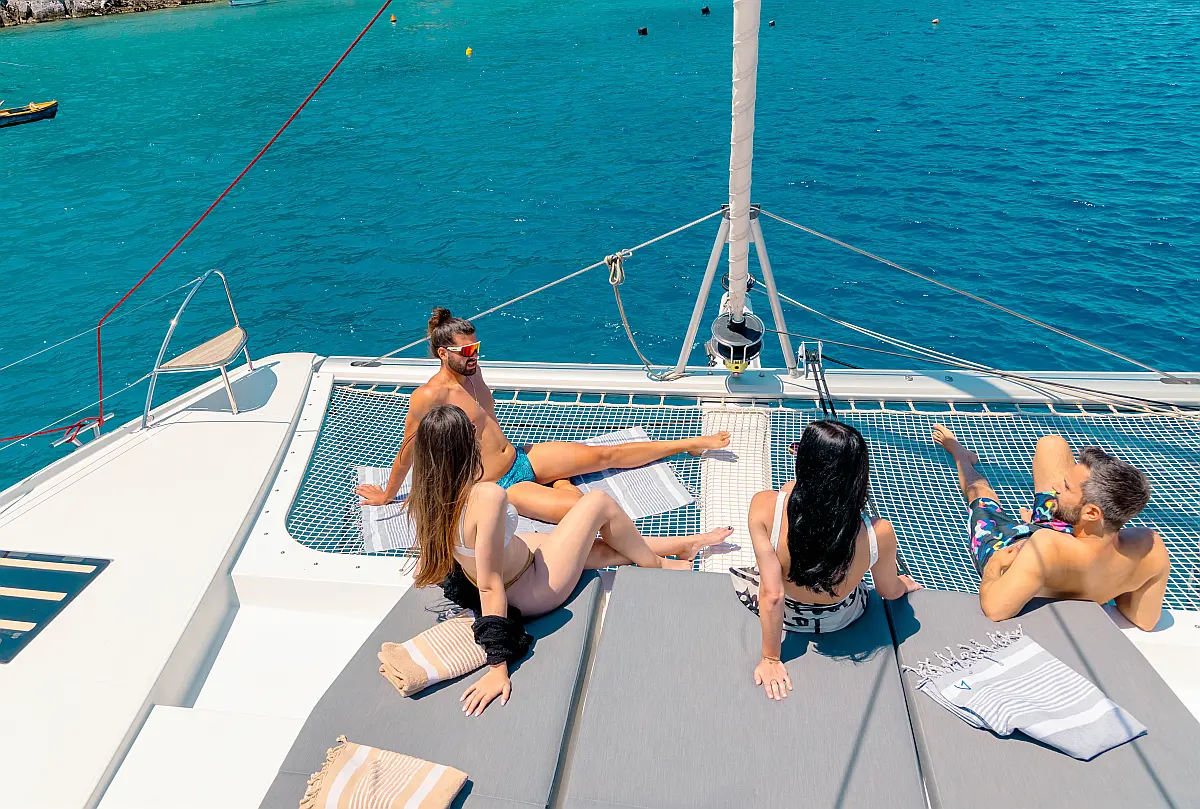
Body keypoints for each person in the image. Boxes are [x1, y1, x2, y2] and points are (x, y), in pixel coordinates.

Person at [407, 404, 733, 716]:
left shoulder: (426, 495)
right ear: (465, 447)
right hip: (531, 587)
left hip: (515, 562)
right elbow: (491, 587)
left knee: (588, 542)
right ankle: (659, 565)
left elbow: (457, 554)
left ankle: (683, 544)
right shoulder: (486, 495)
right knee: (598, 504)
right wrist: (497, 666)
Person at [357, 307, 731, 522]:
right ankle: (562, 483)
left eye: (477, 347)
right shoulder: (429, 396)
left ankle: (688, 443)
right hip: (498, 486)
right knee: (581, 511)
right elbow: (408, 450)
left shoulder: (473, 371)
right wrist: (389, 494)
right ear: (443, 354)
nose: (475, 356)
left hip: (521, 457)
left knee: (606, 454)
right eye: (467, 351)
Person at [731, 420, 920, 701]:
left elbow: (772, 595)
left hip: (785, 615)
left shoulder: (764, 506)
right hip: (838, 618)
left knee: (786, 498)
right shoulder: (878, 532)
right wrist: (904, 584)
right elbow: (887, 591)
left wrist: (771, 658)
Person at [932, 425, 1169, 631]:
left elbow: (994, 609)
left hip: (1009, 552)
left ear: (1091, 513)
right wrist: (1113, 582)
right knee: (1052, 445)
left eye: (1066, 487)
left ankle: (961, 456)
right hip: (1070, 531)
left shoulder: (1046, 547)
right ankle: (1040, 519)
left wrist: (995, 564)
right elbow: (1144, 620)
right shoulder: (1151, 548)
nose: (1056, 487)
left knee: (979, 493)